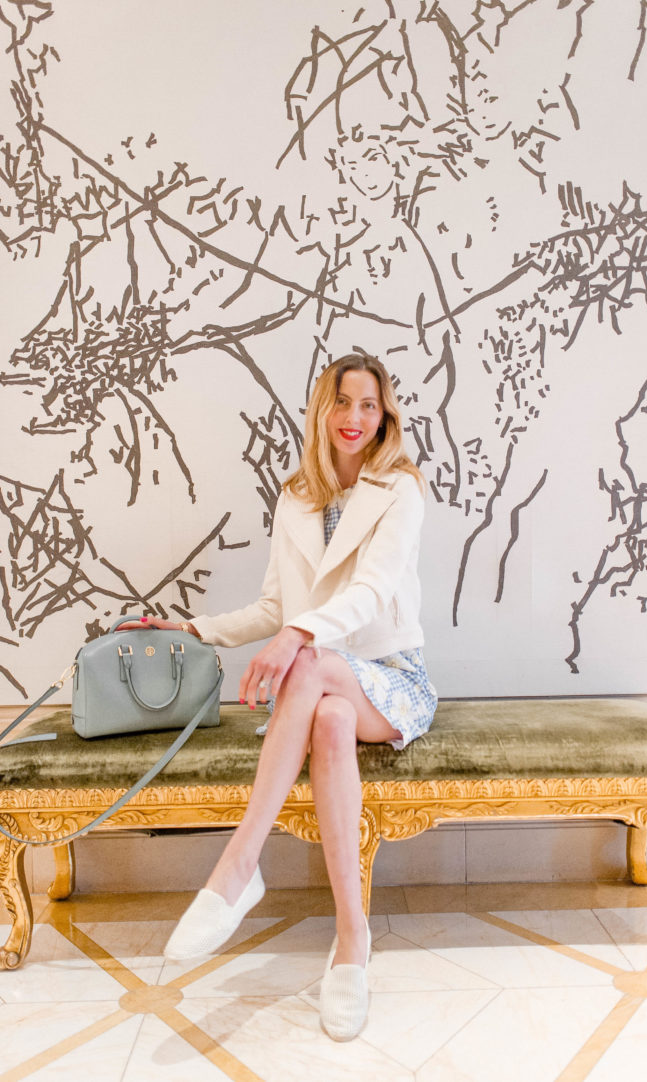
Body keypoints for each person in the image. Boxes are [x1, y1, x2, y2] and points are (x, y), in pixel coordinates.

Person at [119, 351, 436, 1040]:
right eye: (343, 402)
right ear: (322, 409)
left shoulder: (401, 488)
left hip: (391, 676)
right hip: (325, 685)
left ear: (384, 418)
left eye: (369, 406)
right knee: (326, 718)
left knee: (315, 667)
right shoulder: (296, 497)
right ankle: (352, 943)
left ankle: (239, 864)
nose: (354, 418)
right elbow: (272, 608)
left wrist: (298, 637)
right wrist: (194, 627)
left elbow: (371, 591)